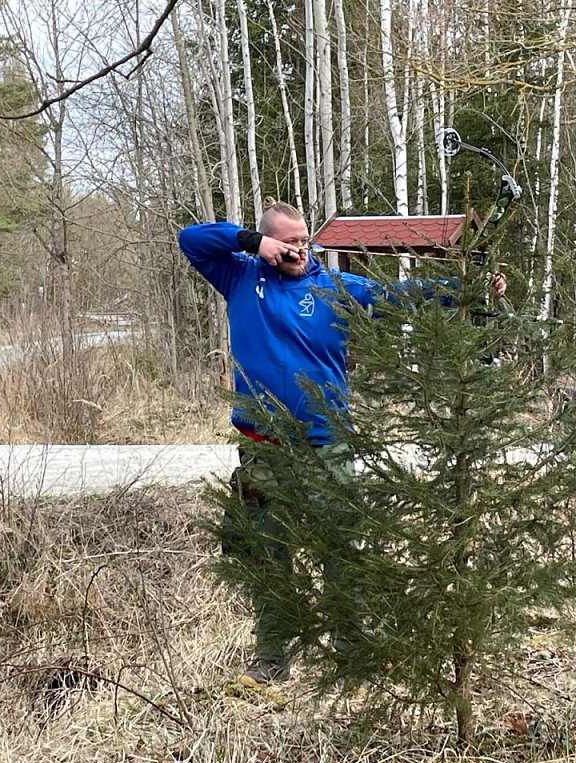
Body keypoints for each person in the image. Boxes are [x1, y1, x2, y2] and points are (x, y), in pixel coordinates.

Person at [179, 199, 506, 687]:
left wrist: (468, 289)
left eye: (303, 240)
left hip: (327, 445)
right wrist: (251, 243)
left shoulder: (336, 288)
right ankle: (271, 658)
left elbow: (401, 296)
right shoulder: (240, 278)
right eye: (287, 242)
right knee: (268, 553)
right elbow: (190, 239)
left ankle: (352, 651)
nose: (299, 250)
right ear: (268, 243)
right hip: (263, 448)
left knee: (343, 550)